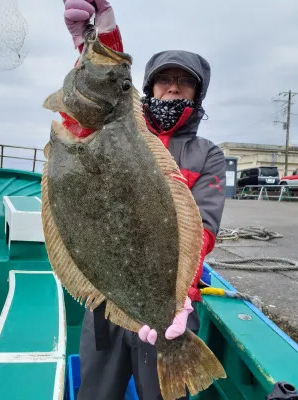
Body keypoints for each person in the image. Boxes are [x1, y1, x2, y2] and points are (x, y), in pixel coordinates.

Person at [62, 1, 226, 399]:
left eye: (183, 81)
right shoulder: (120, 132)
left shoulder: (208, 154)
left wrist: (177, 296)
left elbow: (203, 228)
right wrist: (95, 41)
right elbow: (97, 99)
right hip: (106, 299)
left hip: (170, 310)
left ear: (197, 93)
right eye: (164, 79)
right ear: (148, 87)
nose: (172, 86)